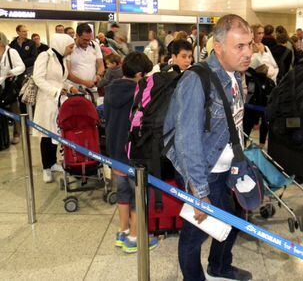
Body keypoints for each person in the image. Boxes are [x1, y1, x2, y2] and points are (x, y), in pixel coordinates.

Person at [164, 14, 253, 281]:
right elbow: (186, 139)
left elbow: (231, 123)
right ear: (218, 47)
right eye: (240, 46)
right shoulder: (196, 80)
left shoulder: (235, 76)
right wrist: (199, 193)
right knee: (196, 232)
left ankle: (220, 265)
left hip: (227, 164)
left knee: (235, 217)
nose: (248, 53)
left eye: (250, 45)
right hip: (202, 168)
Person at [104, 52, 158, 254]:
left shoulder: (110, 89)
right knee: (138, 194)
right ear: (138, 74)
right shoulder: (139, 92)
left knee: (123, 193)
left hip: (114, 151)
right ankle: (134, 237)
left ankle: (122, 230)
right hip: (132, 152)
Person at [32, 34, 78, 183]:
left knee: (56, 133)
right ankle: (46, 168)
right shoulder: (44, 56)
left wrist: (69, 87)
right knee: (46, 134)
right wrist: (56, 91)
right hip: (47, 101)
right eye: (70, 47)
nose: (72, 50)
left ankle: (52, 163)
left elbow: (61, 80)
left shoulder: (62, 59)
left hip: (59, 101)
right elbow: (38, 78)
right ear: (61, 45)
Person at [244, 24, 278, 148]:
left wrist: (264, 59)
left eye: (262, 33)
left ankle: (262, 144)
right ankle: (243, 143)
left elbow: (274, 67)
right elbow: (253, 68)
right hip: (253, 89)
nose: (261, 35)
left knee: (265, 119)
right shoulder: (249, 48)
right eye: (258, 33)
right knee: (248, 120)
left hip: (267, 88)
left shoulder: (266, 47)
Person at [0, 32, 25, 145]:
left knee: (14, 109)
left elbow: (21, 66)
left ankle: (17, 133)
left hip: (9, 85)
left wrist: (12, 72)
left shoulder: (11, 52)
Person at [66, 23, 104, 89]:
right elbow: (67, 74)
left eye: (89, 39)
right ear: (77, 36)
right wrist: (84, 82)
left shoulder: (95, 45)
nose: (87, 42)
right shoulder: (70, 47)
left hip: (92, 88)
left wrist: (99, 75)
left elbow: (101, 65)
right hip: (74, 89)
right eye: (84, 40)